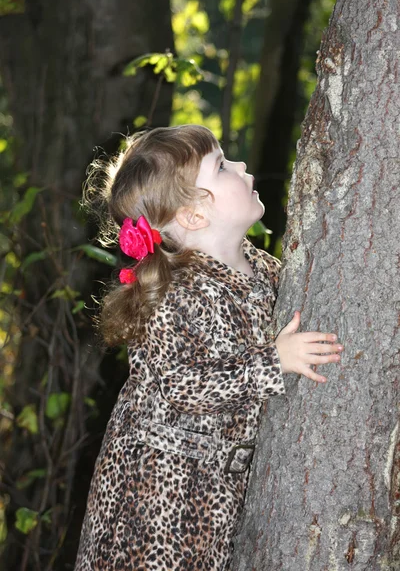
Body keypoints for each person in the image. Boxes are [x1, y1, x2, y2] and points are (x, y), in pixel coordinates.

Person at [74, 125, 343, 571]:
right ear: (193, 215)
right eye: (221, 166)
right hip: (159, 500)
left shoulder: (265, 267)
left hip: (218, 489)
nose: (239, 167)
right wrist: (274, 362)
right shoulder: (172, 291)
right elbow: (181, 383)